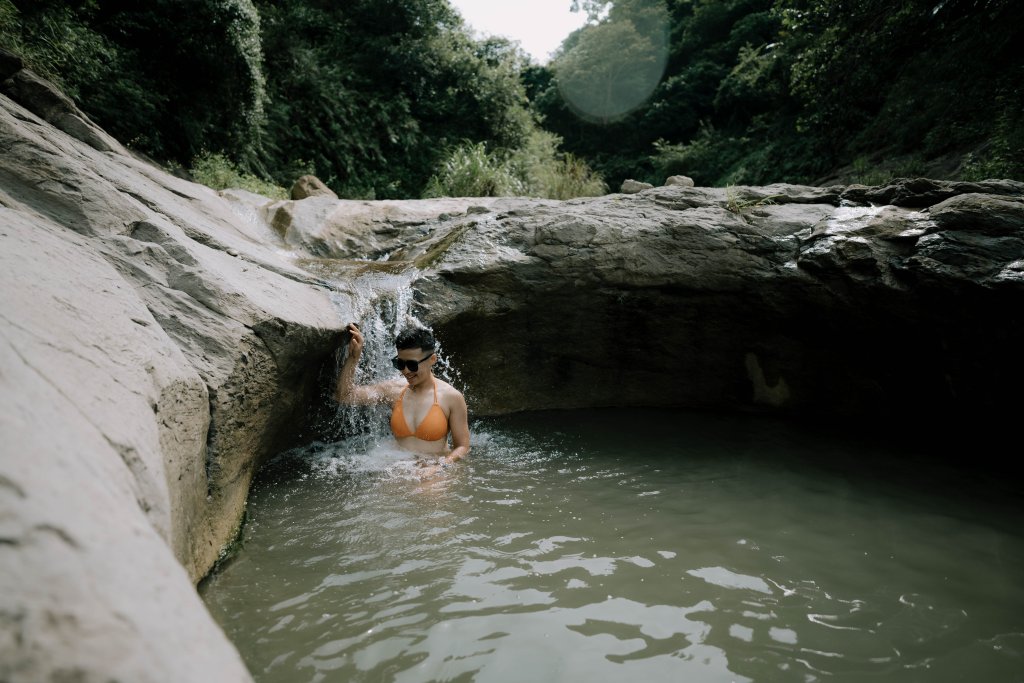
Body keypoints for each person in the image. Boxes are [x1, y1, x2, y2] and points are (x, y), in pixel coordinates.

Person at [335, 323, 470, 467]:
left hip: (433, 470)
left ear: (432, 360)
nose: (405, 371)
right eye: (399, 363)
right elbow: (345, 396)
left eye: (412, 365)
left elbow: (462, 447)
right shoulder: (393, 390)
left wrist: (439, 467)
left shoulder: (451, 397)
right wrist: (353, 358)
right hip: (397, 468)